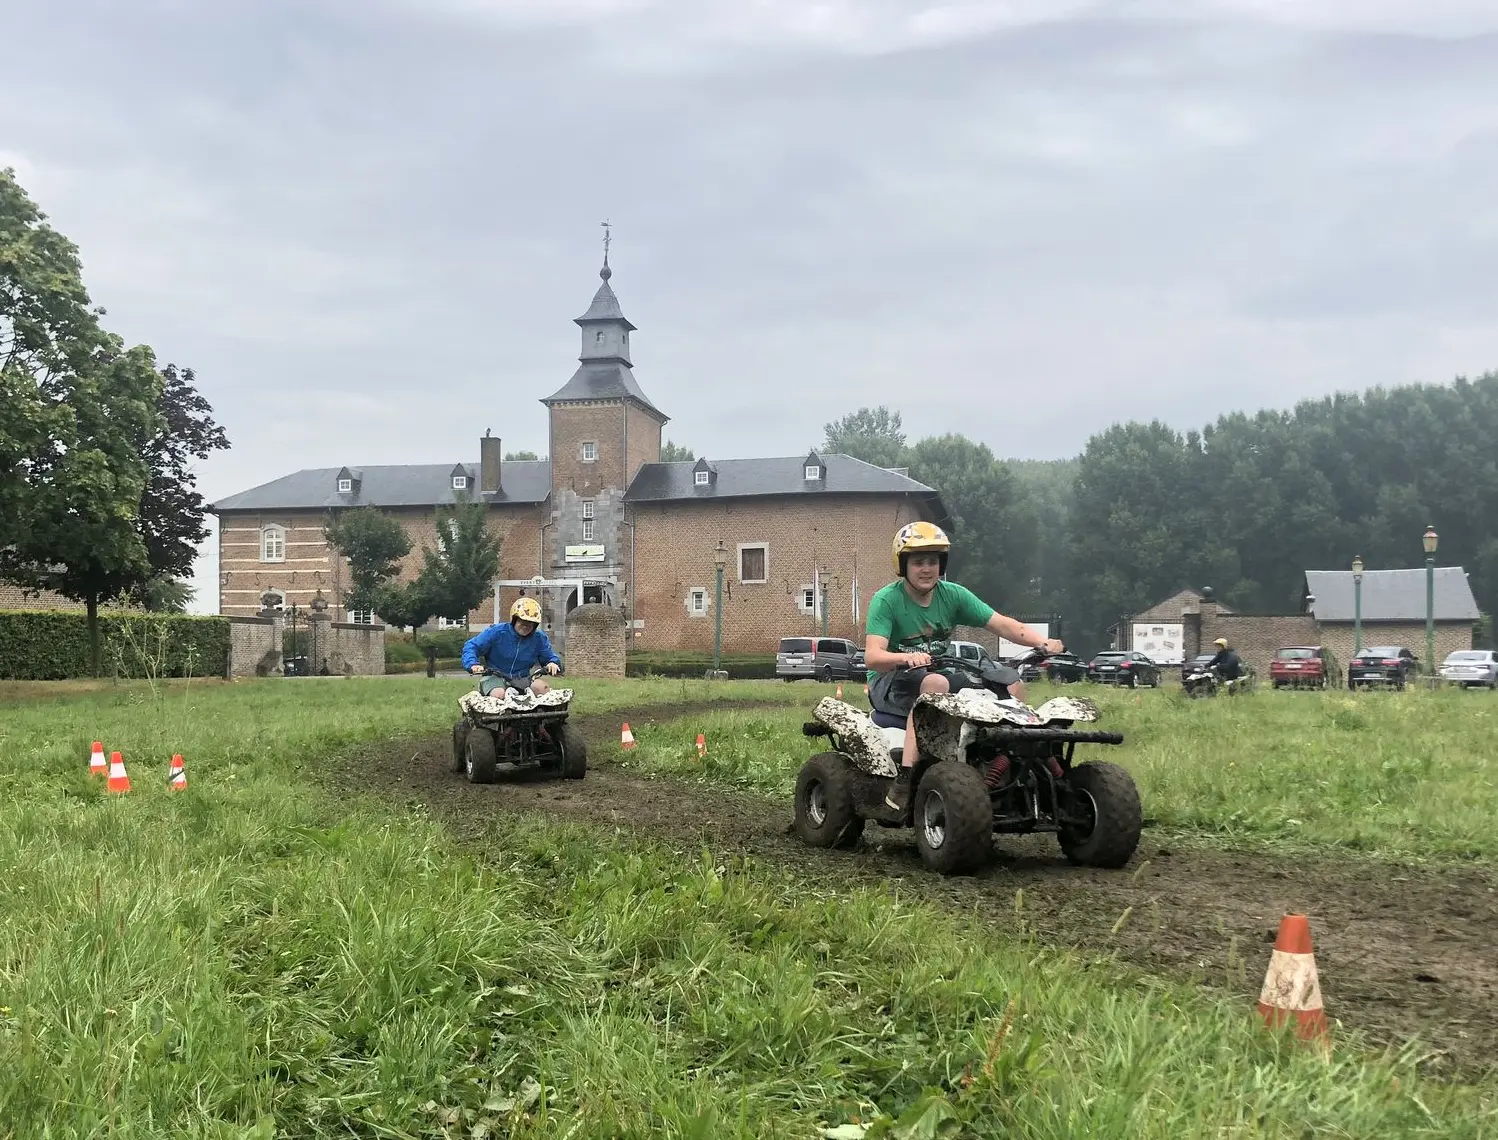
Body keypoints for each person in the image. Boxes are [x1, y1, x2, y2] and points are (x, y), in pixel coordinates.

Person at [864, 521, 1065, 812]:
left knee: (1008, 683)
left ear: (941, 564)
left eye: (932, 561)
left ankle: (1008, 763)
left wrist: (1043, 642)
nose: (926, 569)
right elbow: (872, 657)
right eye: (918, 561)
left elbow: (1002, 624)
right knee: (936, 684)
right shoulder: (886, 600)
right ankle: (905, 780)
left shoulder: (953, 595)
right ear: (903, 564)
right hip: (889, 679)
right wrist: (905, 658)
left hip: (936, 673)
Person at [461, 597, 562, 695]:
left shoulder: (539, 638)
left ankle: (544, 712)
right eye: (522, 622)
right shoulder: (497, 632)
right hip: (494, 677)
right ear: (514, 619)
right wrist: (472, 664)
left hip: (523, 678)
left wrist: (552, 663)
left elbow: (549, 656)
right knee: (499, 693)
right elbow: (472, 646)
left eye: (530, 624)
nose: (525, 626)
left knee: (543, 688)